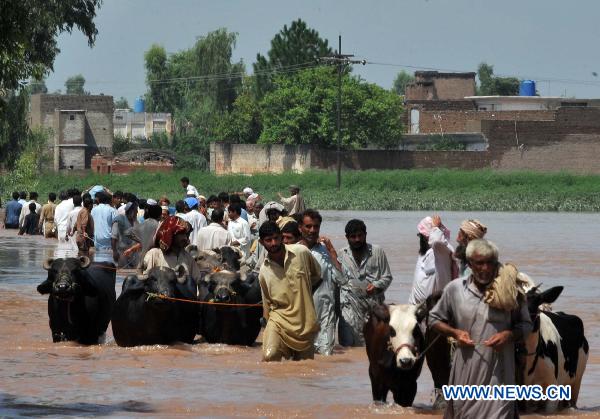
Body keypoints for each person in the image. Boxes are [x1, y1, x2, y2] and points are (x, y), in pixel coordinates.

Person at [429, 239, 532, 419]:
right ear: (469, 264)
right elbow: (433, 319)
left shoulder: (509, 291)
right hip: (466, 372)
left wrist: (509, 335)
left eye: (489, 263)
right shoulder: (455, 289)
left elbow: (526, 325)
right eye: (479, 263)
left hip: (500, 374)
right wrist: (455, 333)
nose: (485, 268)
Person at [408, 215, 455, 408]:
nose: (421, 238)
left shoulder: (442, 251)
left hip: (438, 314)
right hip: (418, 314)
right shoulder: (423, 254)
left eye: (423, 235)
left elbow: (437, 241)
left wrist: (436, 227)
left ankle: (446, 397)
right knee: (420, 358)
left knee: (440, 359)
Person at [258, 221, 321, 362]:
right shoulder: (264, 271)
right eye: (268, 240)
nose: (273, 243)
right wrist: (266, 327)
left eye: (276, 238)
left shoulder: (302, 253)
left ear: (281, 237)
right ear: (262, 242)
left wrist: (303, 296)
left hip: (304, 322)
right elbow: (268, 302)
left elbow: (317, 276)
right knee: (270, 356)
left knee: (305, 367)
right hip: (278, 320)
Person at [337, 219, 393, 347]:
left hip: (373, 308)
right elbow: (337, 281)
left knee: (374, 346)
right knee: (349, 347)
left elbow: (387, 277)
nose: (357, 239)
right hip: (349, 310)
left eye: (360, 236)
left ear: (365, 235)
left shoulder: (377, 252)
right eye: (353, 237)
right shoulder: (341, 255)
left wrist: (377, 285)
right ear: (347, 238)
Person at [299, 209, 342, 356]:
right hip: (300, 318)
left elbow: (342, 280)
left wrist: (332, 252)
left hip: (325, 317)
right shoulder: (293, 251)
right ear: (300, 228)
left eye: (316, 227)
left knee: (326, 360)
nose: (312, 230)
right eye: (308, 226)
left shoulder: (325, 251)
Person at [141, 216, 204, 285]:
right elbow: (145, 282)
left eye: (185, 234)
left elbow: (198, 281)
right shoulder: (154, 254)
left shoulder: (187, 258)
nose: (185, 238)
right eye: (181, 234)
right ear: (170, 234)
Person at [126, 202, 162, 268]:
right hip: (154, 258)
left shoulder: (143, 223)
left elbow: (127, 233)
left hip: (141, 259)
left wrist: (141, 240)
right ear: (160, 215)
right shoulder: (159, 226)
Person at [91, 191, 118, 264]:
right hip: (109, 240)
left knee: (98, 262)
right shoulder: (112, 210)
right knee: (109, 264)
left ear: (99, 200)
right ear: (109, 200)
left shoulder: (93, 209)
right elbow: (116, 226)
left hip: (97, 239)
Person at [112, 201, 139, 268]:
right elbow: (113, 238)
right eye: (136, 211)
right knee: (123, 272)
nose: (137, 213)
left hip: (133, 253)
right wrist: (114, 252)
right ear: (131, 211)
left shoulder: (136, 222)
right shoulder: (119, 221)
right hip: (122, 253)